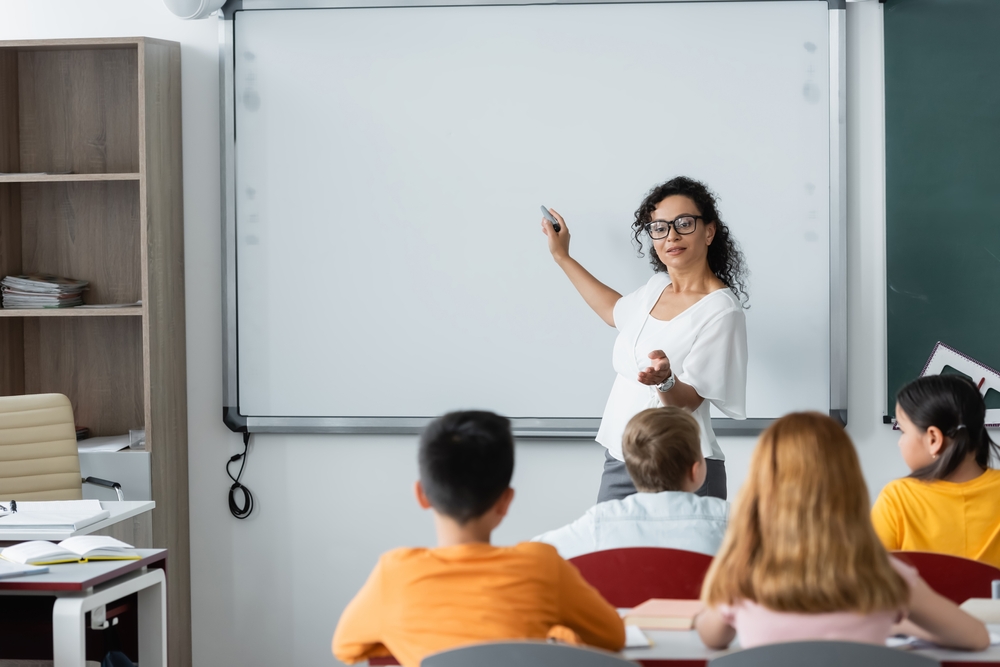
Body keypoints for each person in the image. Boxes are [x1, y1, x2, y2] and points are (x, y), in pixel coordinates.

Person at [332, 410, 625, 667]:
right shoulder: (542, 566)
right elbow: (612, 636)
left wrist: (418, 643)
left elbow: (345, 648)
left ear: (421, 495)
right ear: (506, 501)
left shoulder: (395, 574)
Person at [695, 412, 989, 652]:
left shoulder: (741, 575)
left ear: (759, 489)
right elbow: (976, 638)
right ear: (849, 487)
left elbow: (712, 637)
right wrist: (897, 621)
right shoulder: (886, 578)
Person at [542, 176, 748, 503]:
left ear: (709, 231)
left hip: (682, 466)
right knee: (610, 553)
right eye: (660, 227)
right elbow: (612, 310)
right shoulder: (656, 287)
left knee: (685, 557)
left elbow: (689, 401)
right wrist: (563, 257)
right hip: (622, 457)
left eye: (684, 223)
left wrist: (665, 381)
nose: (672, 236)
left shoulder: (721, 309)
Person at [533, 406, 728, 559]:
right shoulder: (730, 521)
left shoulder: (599, 523)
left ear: (632, 471)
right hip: (701, 610)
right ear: (696, 471)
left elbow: (533, 551)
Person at [872, 374, 1000, 568]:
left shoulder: (897, 498)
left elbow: (869, 579)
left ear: (933, 439)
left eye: (904, 431)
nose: (900, 442)